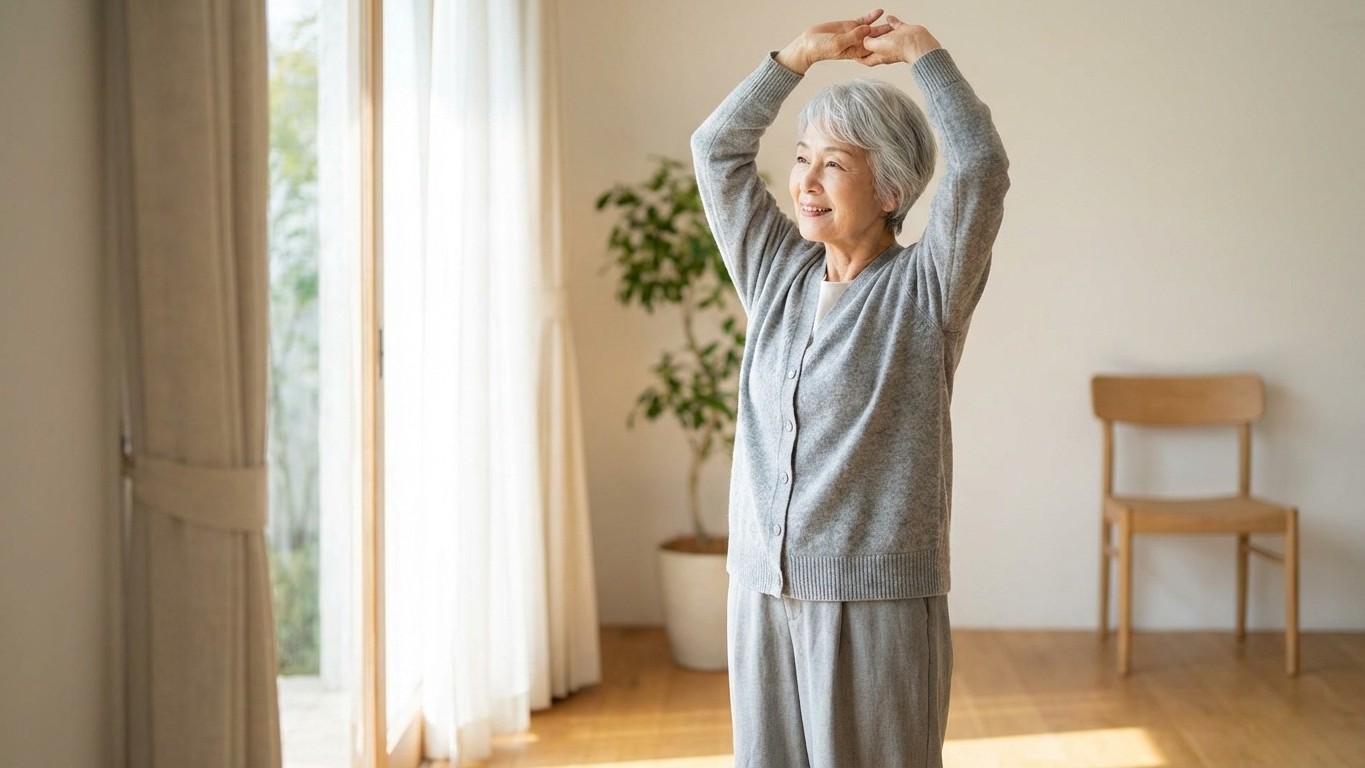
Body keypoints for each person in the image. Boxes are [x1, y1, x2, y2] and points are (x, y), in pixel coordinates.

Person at [689, 9, 1011, 767]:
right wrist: (794, 59)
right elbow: (716, 150)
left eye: (833, 164)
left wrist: (924, 55)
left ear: (890, 189)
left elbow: (979, 166)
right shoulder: (776, 274)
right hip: (760, 590)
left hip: (873, 599)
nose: (804, 183)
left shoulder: (926, 289)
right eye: (802, 158)